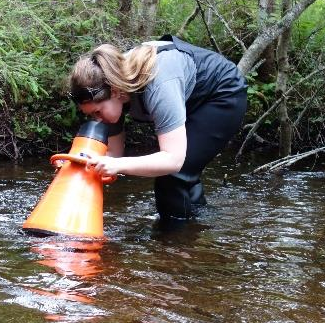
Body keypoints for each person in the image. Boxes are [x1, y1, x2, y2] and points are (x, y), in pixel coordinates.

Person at [68, 34, 247, 221]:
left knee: (173, 177)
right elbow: (114, 153)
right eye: (90, 115)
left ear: (115, 92)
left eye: (98, 111)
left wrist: (117, 165)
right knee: (181, 175)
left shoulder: (159, 84)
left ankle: (175, 243)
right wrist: (82, 165)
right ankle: (197, 224)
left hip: (222, 95)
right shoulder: (109, 85)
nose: (97, 119)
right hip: (186, 95)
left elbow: (173, 160)